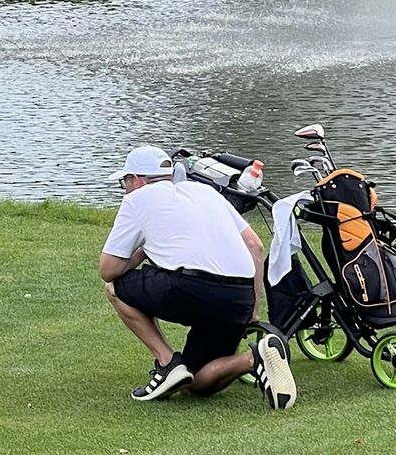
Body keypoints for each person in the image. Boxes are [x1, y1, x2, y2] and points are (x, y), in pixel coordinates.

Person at [100, 145, 296, 408]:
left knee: (113, 288)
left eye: (125, 181)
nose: (125, 188)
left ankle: (167, 363)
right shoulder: (206, 191)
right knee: (196, 385)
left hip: (191, 287)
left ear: (136, 180)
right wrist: (254, 306)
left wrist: (141, 252)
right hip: (239, 296)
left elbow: (108, 270)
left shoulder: (137, 199)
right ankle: (254, 358)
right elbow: (255, 247)